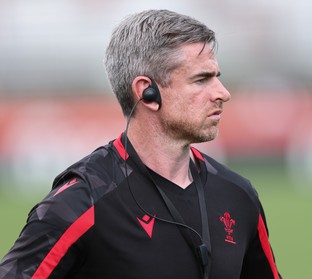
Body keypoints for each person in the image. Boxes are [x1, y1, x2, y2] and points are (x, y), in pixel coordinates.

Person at [0, 9, 281, 279]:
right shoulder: (80, 203)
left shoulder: (238, 196)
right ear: (147, 93)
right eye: (201, 80)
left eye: (217, 77)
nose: (223, 93)